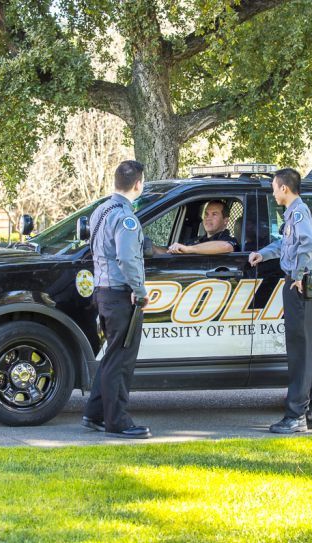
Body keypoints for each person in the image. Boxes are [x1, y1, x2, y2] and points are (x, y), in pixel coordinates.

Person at [248, 168, 312, 433]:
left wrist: (299, 276)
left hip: (300, 285)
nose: (272, 192)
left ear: (284, 189)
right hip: (302, 284)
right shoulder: (292, 214)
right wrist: (264, 253)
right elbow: (286, 244)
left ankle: (296, 417)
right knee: (308, 352)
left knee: (300, 353)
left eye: (273, 187)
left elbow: (307, 243)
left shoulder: (298, 212)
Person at [81, 160, 152, 439]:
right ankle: (118, 422)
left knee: (111, 357)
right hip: (121, 294)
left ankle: (95, 414)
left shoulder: (100, 210)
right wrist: (140, 290)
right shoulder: (126, 217)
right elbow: (126, 257)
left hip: (103, 290)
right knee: (121, 361)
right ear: (138, 184)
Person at [147, 200, 239, 256]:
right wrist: (152, 248)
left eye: (214, 214)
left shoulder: (230, 241)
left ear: (225, 220)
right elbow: (169, 252)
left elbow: (226, 247)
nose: (208, 218)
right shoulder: (196, 241)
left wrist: (188, 249)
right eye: (206, 214)